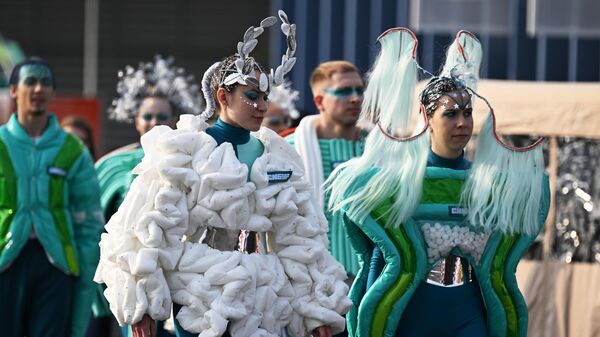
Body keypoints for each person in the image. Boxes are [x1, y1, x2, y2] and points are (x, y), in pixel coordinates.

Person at [94, 10, 351, 337]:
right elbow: (147, 227)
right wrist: (140, 306)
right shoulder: (183, 151)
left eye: (265, 97)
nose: (262, 106)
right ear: (222, 97)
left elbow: (300, 238)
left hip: (264, 299)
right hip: (198, 294)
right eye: (252, 96)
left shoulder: (278, 157)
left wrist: (318, 312)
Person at [326, 29, 550, 337]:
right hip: (415, 310)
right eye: (451, 114)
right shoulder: (397, 181)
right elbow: (378, 252)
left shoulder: (488, 183)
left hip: (468, 307)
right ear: (427, 118)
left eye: (468, 113)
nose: (462, 123)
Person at [94, 55, 204, 337]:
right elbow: (98, 227)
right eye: (148, 116)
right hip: (133, 273)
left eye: (162, 116)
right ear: (136, 120)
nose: (154, 121)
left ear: (174, 121)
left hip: (180, 274)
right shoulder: (112, 166)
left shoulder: (191, 163)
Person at [0, 57, 103, 337]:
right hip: (5, 263)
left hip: (56, 266)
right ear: (13, 90)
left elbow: (90, 222)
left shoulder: (73, 150)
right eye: (30, 81)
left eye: (45, 82)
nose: (38, 88)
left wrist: (86, 271)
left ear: (53, 93)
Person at [286, 60, 366, 279]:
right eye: (343, 91)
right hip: (312, 278)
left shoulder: (380, 151)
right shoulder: (289, 151)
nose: (355, 98)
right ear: (319, 101)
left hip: (373, 279)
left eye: (359, 90)